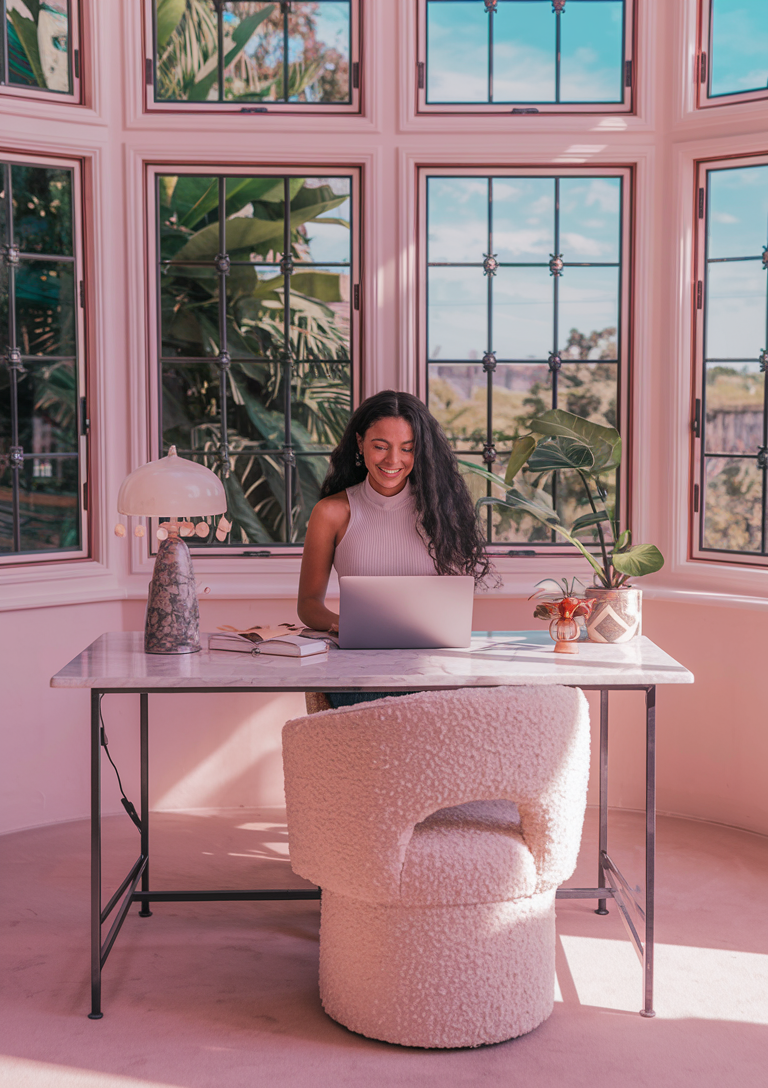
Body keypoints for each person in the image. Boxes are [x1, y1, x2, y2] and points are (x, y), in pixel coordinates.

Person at [297, 390, 494, 707]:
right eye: (380, 446)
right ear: (360, 443)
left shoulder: (444, 514)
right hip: (361, 672)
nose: (393, 460)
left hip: (433, 669)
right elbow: (308, 605)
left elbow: (452, 606)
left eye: (407, 449)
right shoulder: (331, 512)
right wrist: (345, 625)